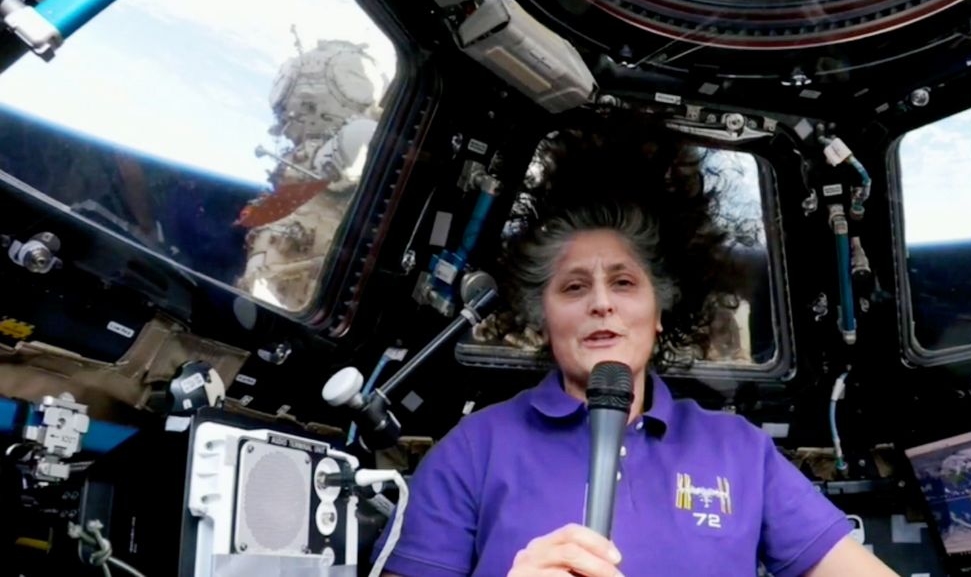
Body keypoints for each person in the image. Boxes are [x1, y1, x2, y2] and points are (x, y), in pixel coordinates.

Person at [371, 195, 900, 577]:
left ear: (659, 312)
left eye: (623, 282)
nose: (602, 303)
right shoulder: (472, 450)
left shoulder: (739, 449)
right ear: (542, 319)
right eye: (574, 287)